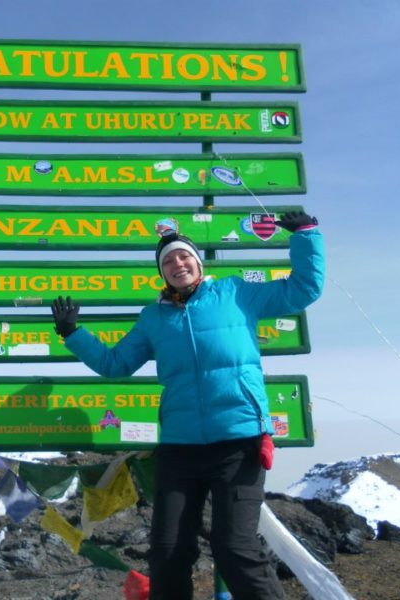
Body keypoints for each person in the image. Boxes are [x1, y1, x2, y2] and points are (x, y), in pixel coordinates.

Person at [51, 211, 324, 600]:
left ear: (198, 261)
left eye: (183, 257)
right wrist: (73, 334)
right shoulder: (154, 318)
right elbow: (117, 364)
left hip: (239, 442)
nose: (177, 264)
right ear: (161, 273)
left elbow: (303, 289)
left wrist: (305, 235)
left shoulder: (236, 293)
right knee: (168, 553)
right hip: (180, 449)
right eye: (167, 261)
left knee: (236, 552)